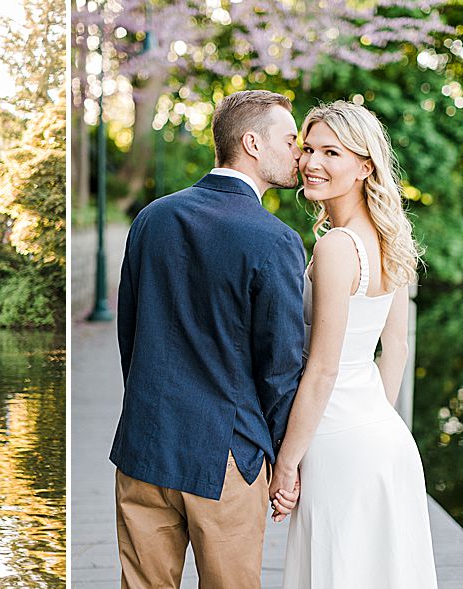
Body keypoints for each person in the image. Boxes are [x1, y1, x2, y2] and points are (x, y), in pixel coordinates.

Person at [111, 89, 307, 587]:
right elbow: (281, 364)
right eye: (289, 140)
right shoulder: (275, 238)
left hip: (145, 444)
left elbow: (129, 332)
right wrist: (283, 459)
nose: (298, 153)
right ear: (252, 143)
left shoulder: (152, 217)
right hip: (225, 454)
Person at [271, 101, 436, 587]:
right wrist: (372, 419)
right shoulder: (392, 239)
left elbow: (321, 370)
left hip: (335, 443)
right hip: (384, 439)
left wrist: (286, 464)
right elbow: (397, 349)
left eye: (332, 152)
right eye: (308, 149)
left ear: (366, 166)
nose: (312, 163)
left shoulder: (337, 246)